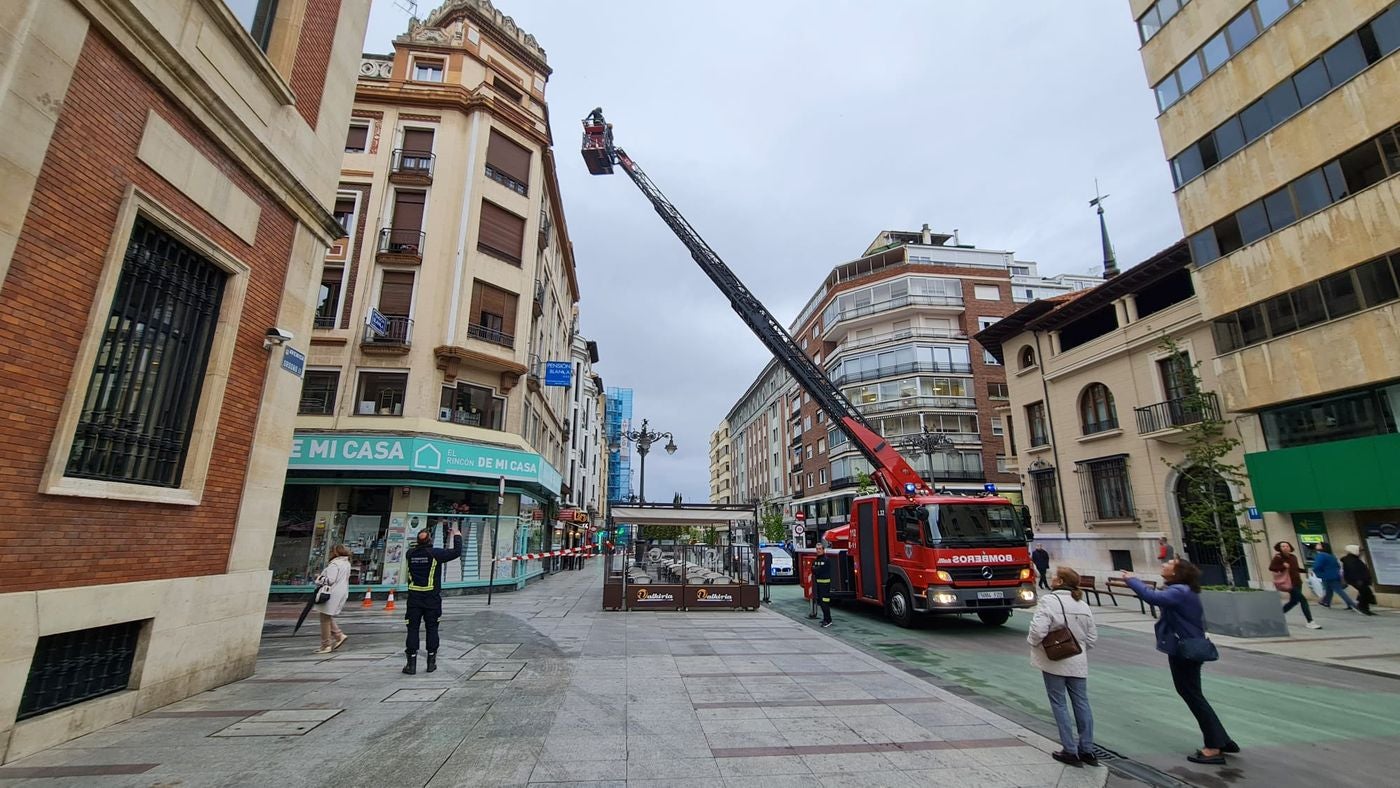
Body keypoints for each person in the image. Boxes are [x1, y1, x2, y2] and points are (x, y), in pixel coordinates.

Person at [1124, 559, 1238, 765]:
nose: (1164, 563)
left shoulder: (1179, 591)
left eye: (1170, 563)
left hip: (1185, 650)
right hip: (1187, 647)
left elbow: (1151, 597)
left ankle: (1214, 746)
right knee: (1193, 693)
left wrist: (1132, 580)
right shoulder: (1182, 590)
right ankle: (1222, 739)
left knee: (1192, 694)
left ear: (1177, 572)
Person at [1027, 567, 1099, 768]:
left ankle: (1069, 749)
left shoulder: (1049, 601)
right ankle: (1087, 749)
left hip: (1054, 660)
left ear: (1059, 581)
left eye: (1054, 576)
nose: (1051, 578)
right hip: (1078, 660)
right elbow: (1092, 638)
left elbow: (1037, 631)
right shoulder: (1083, 604)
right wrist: (1079, 648)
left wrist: (1035, 643)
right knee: (1082, 703)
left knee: (1059, 703)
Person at [403, 524, 462, 675]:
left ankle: (411, 663)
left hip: (414, 598)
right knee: (432, 628)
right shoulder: (435, 554)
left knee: (412, 629)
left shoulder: (410, 554)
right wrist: (456, 535)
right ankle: (431, 662)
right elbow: (456, 552)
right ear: (430, 540)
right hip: (431, 598)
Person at [1270, 541, 1321, 629]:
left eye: (1287, 546)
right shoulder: (1278, 557)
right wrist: (1283, 567)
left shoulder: (1293, 557)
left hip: (1297, 582)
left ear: (1290, 547)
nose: (1285, 547)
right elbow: (1271, 568)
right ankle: (1310, 621)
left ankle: (1276, 616)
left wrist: (1305, 571)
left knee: (1294, 601)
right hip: (1289, 583)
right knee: (1303, 600)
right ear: (1279, 548)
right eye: (1282, 546)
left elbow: (1295, 568)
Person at [312, 545, 352, 654]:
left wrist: (318, 577)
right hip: (342, 591)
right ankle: (339, 635)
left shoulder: (335, 564)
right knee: (327, 616)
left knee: (324, 618)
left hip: (331, 593)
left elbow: (330, 580)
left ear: (335, 553)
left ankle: (326, 645)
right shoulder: (346, 563)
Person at [1312, 542, 1358, 612]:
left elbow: (1317, 566)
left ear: (1323, 547)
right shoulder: (1331, 555)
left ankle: (1351, 604)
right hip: (1334, 575)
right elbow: (1337, 565)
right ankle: (1326, 602)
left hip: (1327, 575)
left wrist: (1317, 573)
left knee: (1339, 590)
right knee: (1328, 590)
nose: (1317, 545)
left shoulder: (1321, 555)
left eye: (1319, 545)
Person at [1341, 544, 1377, 616]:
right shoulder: (1350, 560)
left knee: (1365, 592)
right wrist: (1359, 580)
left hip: (1360, 580)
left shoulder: (1354, 559)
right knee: (1365, 592)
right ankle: (1362, 608)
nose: (1361, 552)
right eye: (1359, 551)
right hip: (1358, 580)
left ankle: (1363, 607)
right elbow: (1354, 571)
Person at [810, 543, 833, 628]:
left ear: (823, 550)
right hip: (819, 584)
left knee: (824, 603)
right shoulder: (817, 560)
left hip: (825, 585)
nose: (818, 550)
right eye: (817, 549)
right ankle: (825, 618)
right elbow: (813, 569)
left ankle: (828, 620)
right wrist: (815, 569)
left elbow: (817, 570)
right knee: (821, 602)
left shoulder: (825, 560)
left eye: (820, 549)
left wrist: (815, 569)